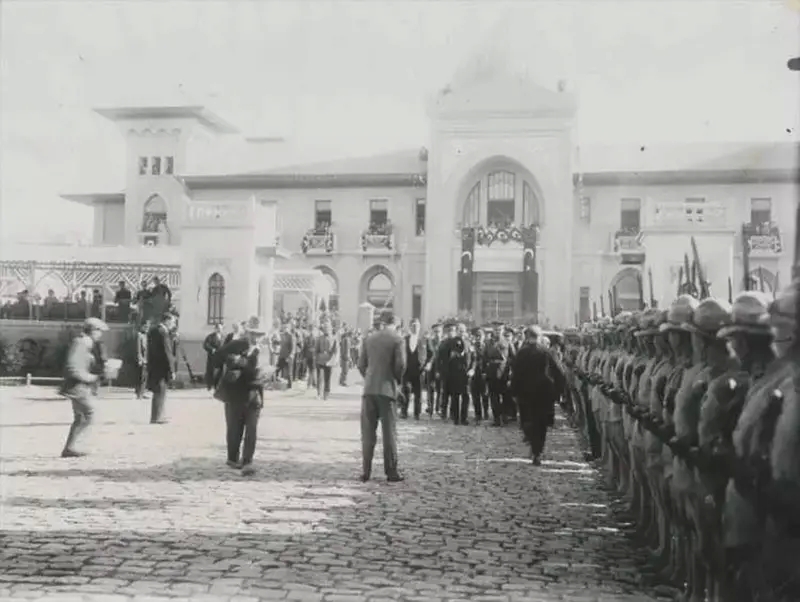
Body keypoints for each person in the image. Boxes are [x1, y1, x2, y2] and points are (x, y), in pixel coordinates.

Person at [213, 316, 267, 476]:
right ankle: (233, 458)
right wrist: (237, 361)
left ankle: (248, 460)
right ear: (247, 332)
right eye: (253, 333)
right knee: (234, 428)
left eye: (259, 334)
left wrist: (266, 373)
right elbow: (218, 357)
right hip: (235, 393)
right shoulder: (237, 345)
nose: (256, 337)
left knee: (252, 429)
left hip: (254, 393)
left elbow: (265, 368)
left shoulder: (263, 349)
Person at [357, 311, 406, 483]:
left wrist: (370, 378)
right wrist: (396, 383)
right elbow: (400, 365)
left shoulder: (369, 339)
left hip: (369, 389)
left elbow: (361, 364)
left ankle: (366, 471)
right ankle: (391, 471)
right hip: (387, 391)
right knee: (389, 433)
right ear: (397, 324)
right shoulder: (397, 340)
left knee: (368, 433)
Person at [59, 318, 108, 457]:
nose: (100, 335)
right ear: (93, 330)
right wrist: (91, 377)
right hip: (78, 385)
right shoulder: (82, 343)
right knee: (89, 413)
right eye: (99, 331)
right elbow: (73, 367)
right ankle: (75, 446)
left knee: (81, 417)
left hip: (79, 385)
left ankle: (71, 447)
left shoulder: (83, 342)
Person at [511, 325, 559, 465]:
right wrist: (557, 391)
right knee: (541, 423)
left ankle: (533, 444)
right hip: (543, 393)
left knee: (528, 420)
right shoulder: (547, 352)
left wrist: (514, 391)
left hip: (525, 393)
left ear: (527, 337)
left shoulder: (522, 353)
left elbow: (516, 373)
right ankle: (538, 451)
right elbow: (559, 371)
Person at [146, 312, 176, 424]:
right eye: (172, 322)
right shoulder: (163, 332)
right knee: (161, 392)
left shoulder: (153, 330)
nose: (173, 324)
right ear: (167, 320)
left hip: (154, 365)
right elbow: (167, 352)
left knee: (157, 392)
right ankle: (158, 417)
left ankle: (156, 416)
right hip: (162, 367)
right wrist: (172, 369)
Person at [401, 318, 426, 420]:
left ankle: (417, 413)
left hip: (418, 370)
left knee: (418, 393)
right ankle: (404, 412)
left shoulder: (423, 340)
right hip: (407, 370)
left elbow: (429, 354)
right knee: (406, 390)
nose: (415, 328)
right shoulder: (404, 339)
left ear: (419, 327)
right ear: (410, 327)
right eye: (413, 326)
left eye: (417, 326)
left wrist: (426, 365)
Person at [314, 322, 338, 400]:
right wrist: (316, 358)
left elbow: (335, 350)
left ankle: (326, 394)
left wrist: (334, 360)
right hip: (320, 360)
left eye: (327, 328)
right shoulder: (319, 338)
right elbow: (316, 349)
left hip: (329, 360)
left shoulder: (334, 338)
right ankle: (318, 393)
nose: (326, 329)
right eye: (325, 328)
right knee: (319, 377)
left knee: (327, 378)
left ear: (330, 329)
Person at [202, 323, 224, 391]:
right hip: (212, 357)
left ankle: (216, 385)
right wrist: (212, 349)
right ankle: (209, 385)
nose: (219, 330)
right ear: (215, 329)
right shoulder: (210, 337)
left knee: (220, 372)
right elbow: (205, 345)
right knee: (210, 371)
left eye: (220, 329)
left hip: (220, 357)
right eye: (218, 329)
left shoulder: (223, 337)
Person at [134, 321, 148, 399]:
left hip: (147, 359)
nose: (146, 328)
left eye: (147, 327)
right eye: (145, 327)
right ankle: (139, 393)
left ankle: (143, 392)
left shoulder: (146, 336)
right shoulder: (139, 335)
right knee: (141, 376)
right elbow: (138, 348)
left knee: (145, 376)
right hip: (142, 359)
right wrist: (140, 359)